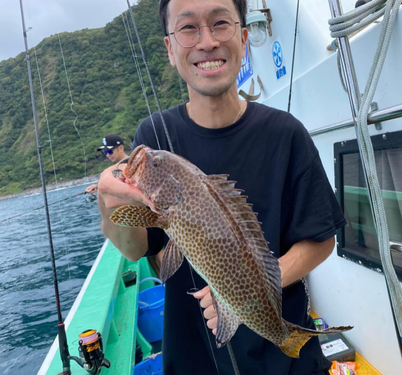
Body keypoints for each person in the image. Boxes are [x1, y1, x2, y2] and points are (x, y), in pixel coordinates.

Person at [97, 0, 347, 374]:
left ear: (244, 38)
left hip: (287, 361)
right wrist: (108, 201)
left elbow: (321, 239)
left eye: (220, 23)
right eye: (188, 28)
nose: (207, 41)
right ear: (169, 47)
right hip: (195, 358)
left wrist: (244, 292)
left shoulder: (286, 133)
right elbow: (136, 248)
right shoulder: (154, 138)